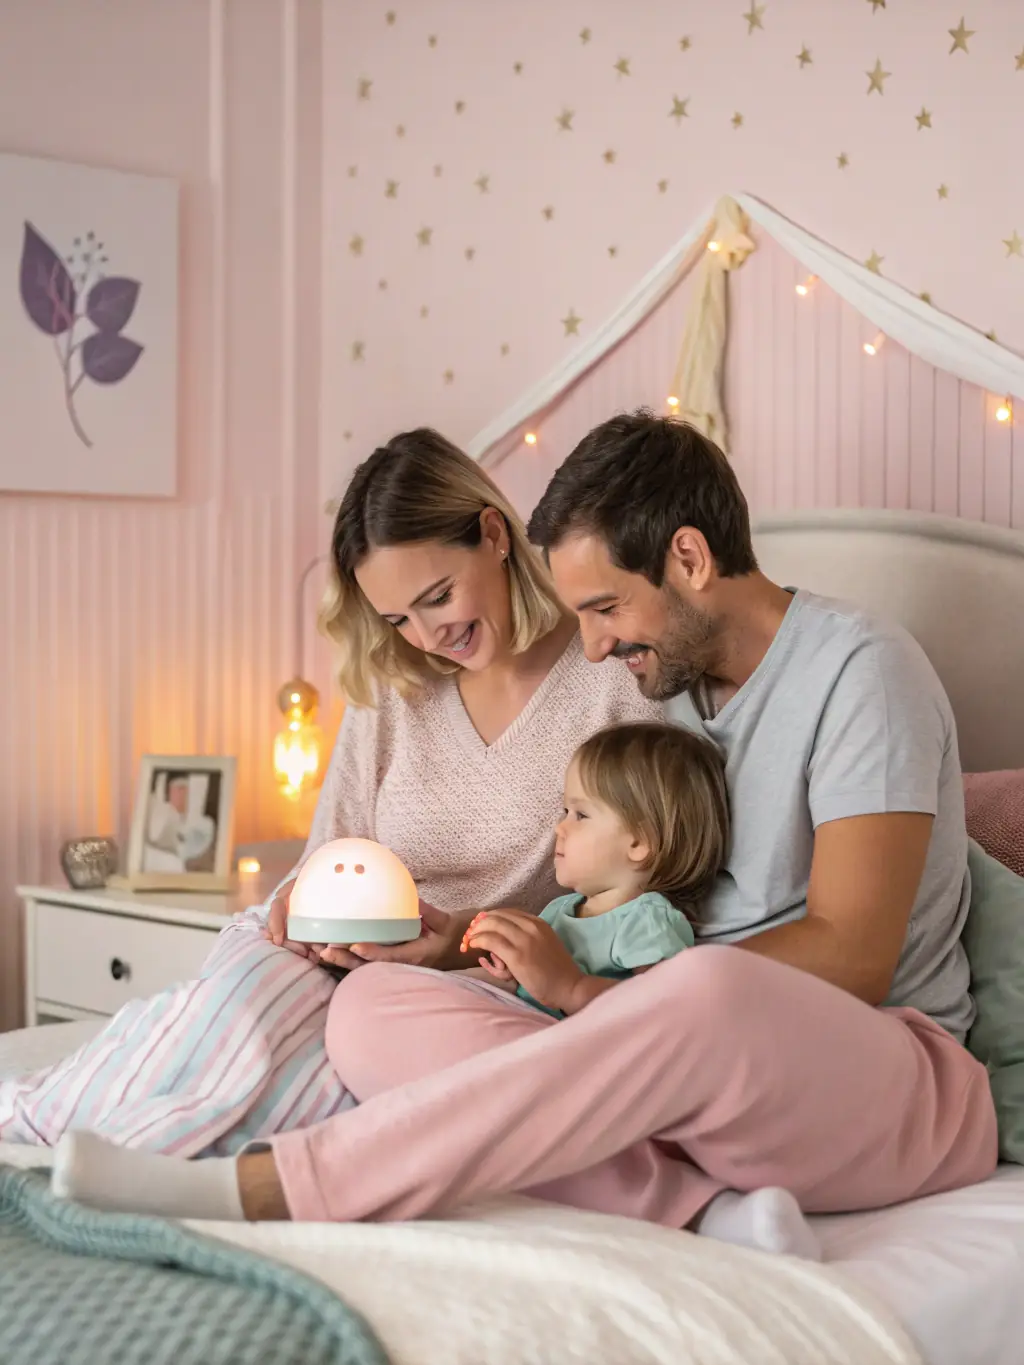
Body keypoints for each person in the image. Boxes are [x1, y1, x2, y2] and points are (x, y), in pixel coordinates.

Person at [52, 413, 997, 1266]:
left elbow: (856, 957)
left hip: (885, 1079)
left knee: (709, 982)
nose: (590, 648)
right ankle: (704, 1210)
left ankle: (270, 1185)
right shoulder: (671, 691)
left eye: (606, 609)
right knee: (375, 1011)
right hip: (682, 1065)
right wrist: (504, 955)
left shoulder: (863, 673)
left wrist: (602, 999)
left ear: (691, 558)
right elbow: (640, 916)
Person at [3, 428, 659, 1157]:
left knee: (302, 1065)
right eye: (396, 618)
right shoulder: (394, 684)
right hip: (342, 949)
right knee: (237, 994)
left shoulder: (608, 677)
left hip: (469, 984)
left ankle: (117, 1148)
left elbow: (623, 901)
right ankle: (45, 1118)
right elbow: (327, 850)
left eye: (437, 596)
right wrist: (298, 906)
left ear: (494, 535)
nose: (427, 634)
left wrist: (461, 942)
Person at [463, 721, 727, 1020]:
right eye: (566, 812)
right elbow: (535, 993)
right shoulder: (559, 909)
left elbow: (665, 1012)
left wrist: (572, 987)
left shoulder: (645, 922)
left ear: (640, 842)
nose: (560, 827)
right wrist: (515, 974)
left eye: (581, 814)